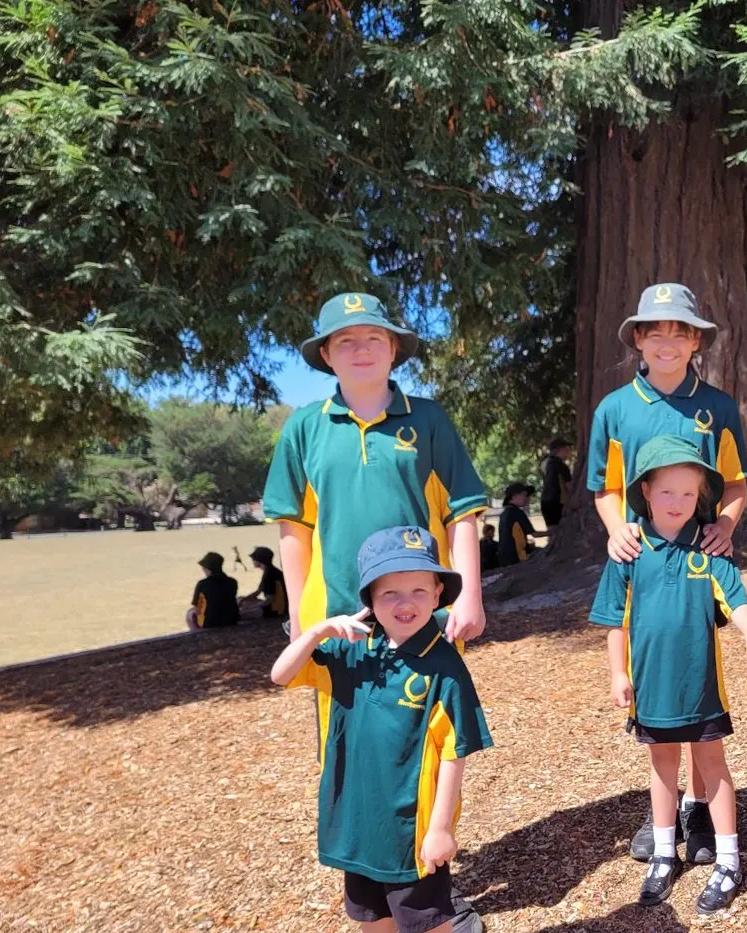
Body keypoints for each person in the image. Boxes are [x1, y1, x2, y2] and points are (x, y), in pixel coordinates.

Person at [262, 291, 489, 932]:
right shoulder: (305, 427)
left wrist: (468, 591)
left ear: (394, 349)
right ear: (327, 356)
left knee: (428, 743)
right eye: (345, 341)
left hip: (422, 612)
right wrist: (302, 621)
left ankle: (429, 884)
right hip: (341, 625)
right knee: (355, 750)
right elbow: (293, 528)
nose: (361, 350)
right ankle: (374, 891)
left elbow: (464, 510)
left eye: (374, 339)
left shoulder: (429, 419)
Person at [587, 282, 747, 865]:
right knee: (656, 688)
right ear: (637, 339)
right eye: (655, 331)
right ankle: (667, 809)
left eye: (680, 332)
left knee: (697, 684)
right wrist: (616, 529)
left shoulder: (719, 407)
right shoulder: (613, 408)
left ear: (695, 341)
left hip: (698, 566)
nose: (667, 342)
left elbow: (735, 483)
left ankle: (699, 810)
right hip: (644, 561)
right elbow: (607, 488)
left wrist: (726, 526)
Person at [270, 526, 493, 933]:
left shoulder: (444, 666)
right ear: (370, 598)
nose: (405, 603)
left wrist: (440, 829)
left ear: (439, 594)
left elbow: (453, 752)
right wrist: (317, 631)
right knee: (371, 920)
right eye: (390, 592)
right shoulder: (351, 648)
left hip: (411, 830)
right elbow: (280, 675)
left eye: (419, 591)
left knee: (428, 923)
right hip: (355, 825)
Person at [589, 436, 747, 913]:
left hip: (702, 688)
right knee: (661, 767)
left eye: (688, 494)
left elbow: (736, 599)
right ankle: (663, 854)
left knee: (712, 765)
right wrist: (617, 674)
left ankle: (729, 861)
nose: (678, 503)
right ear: (646, 491)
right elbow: (616, 620)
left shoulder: (709, 548)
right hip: (650, 689)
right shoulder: (628, 552)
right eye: (667, 492)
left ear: (701, 498)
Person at [185, 552, 240, 630]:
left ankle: (196, 633)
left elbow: (197, 608)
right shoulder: (232, 581)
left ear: (207, 568)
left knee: (190, 613)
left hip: (210, 623)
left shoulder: (202, 584)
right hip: (231, 619)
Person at [497, 483, 544, 565]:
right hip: (516, 557)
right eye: (525, 495)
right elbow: (534, 534)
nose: (527, 498)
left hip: (503, 557)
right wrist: (554, 531)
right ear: (514, 496)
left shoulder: (504, 513)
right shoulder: (517, 512)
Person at [238, 546, 288, 622]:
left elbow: (269, 600)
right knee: (241, 599)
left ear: (260, 560)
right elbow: (258, 591)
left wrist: (251, 607)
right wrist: (243, 600)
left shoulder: (269, 575)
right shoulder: (271, 570)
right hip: (276, 606)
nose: (253, 561)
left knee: (241, 614)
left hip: (275, 610)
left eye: (254, 559)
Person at [539, 438, 574, 527]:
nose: (568, 451)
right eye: (566, 449)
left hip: (545, 501)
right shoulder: (561, 466)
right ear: (560, 450)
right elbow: (570, 487)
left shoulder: (545, 463)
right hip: (557, 502)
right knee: (561, 529)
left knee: (552, 529)